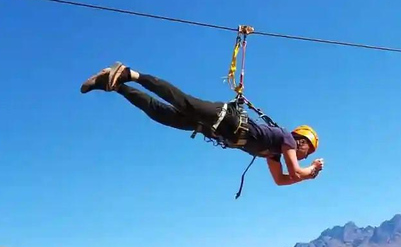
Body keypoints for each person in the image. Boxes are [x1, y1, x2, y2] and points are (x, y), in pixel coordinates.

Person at [80, 62, 324, 186]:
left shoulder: (272, 154)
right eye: (307, 151)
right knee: (183, 101)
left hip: (212, 127)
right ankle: (130, 73)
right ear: (301, 141)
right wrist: (311, 170)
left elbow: (281, 180)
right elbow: (295, 172)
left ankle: (114, 85)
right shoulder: (287, 139)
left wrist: (306, 175)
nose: (304, 156)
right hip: (223, 118)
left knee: (160, 114)